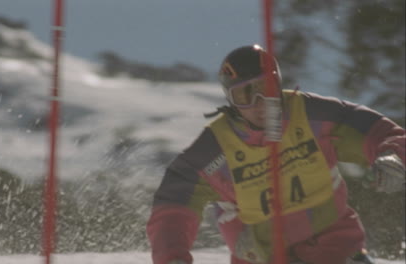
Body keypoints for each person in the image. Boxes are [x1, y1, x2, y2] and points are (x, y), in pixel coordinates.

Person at [146, 44, 406, 264]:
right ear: (230, 100)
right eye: (244, 95)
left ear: (278, 82)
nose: (259, 103)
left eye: (265, 87)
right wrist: (173, 257)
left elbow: (383, 133)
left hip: (335, 250)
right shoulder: (214, 150)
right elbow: (173, 207)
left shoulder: (315, 116)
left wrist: (393, 158)